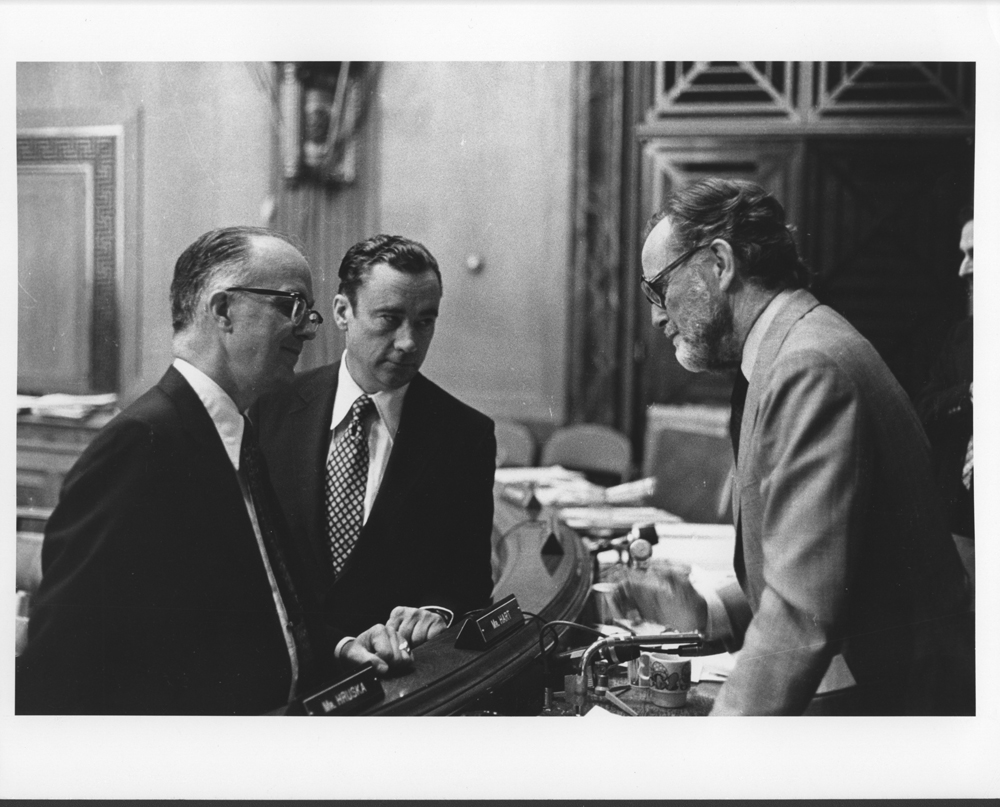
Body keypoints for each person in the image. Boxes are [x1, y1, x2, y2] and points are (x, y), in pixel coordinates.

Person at [16, 227, 413, 715]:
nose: (309, 329)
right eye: (290, 306)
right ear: (223, 310)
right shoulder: (140, 445)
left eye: (308, 312)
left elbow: (261, 603)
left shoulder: (240, 434)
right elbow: (62, 666)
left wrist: (335, 647)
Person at [617, 178, 974, 715]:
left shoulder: (807, 365)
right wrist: (707, 610)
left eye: (659, 287)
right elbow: (814, 564)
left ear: (719, 263)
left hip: (897, 709)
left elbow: (801, 618)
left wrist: (713, 761)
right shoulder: (784, 351)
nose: (655, 315)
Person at [252, 234, 496, 650]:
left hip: (395, 683)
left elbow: (468, 582)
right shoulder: (268, 409)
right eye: (389, 318)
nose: (409, 343)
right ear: (342, 312)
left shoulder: (464, 435)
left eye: (424, 322)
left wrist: (437, 614)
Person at [915, 217, 974, 545]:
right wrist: (972, 395)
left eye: (975, 253)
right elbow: (923, 410)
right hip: (959, 521)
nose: (963, 269)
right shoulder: (963, 336)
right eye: (963, 255)